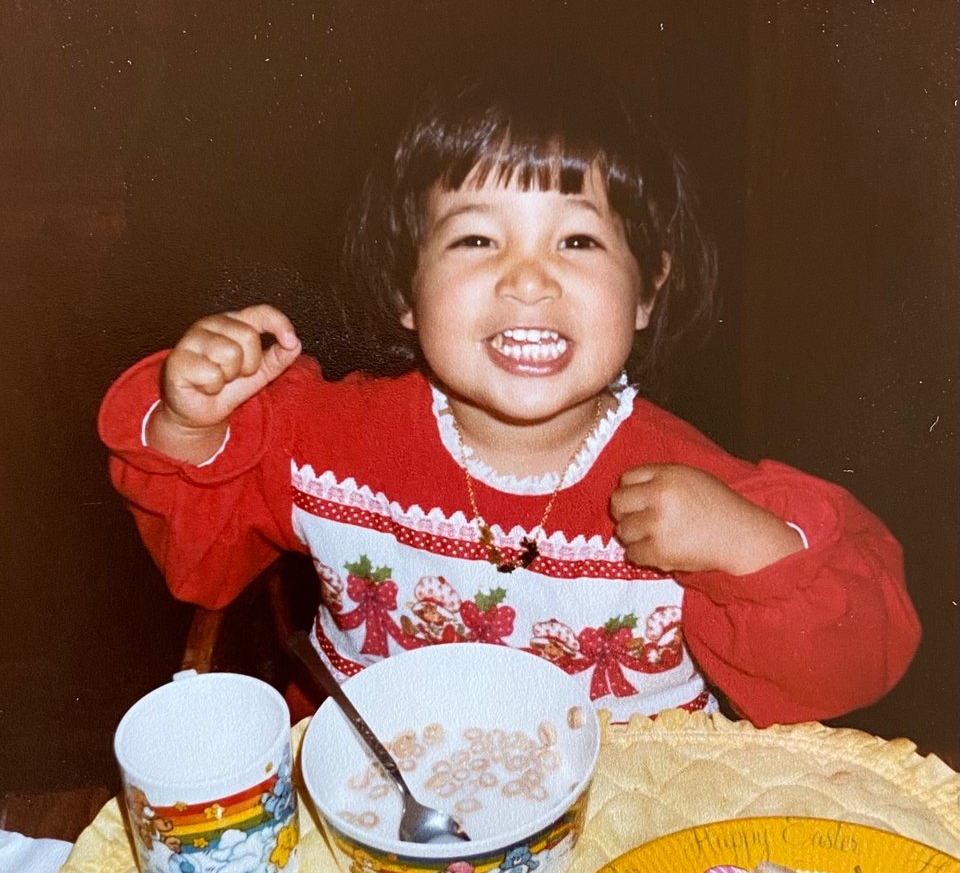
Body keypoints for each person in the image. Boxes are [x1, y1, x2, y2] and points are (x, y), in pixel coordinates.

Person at [98, 61, 920, 728]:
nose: (528, 278)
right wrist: (186, 424)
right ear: (406, 292)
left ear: (647, 290)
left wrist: (742, 545)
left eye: (578, 239)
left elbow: (853, 665)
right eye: (477, 238)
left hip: (614, 837)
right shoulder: (321, 439)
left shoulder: (685, 488)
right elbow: (197, 561)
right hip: (379, 805)